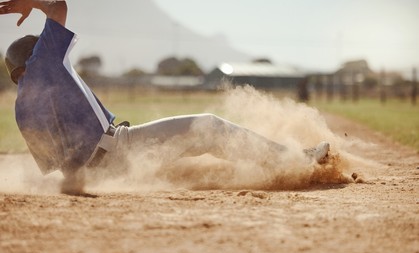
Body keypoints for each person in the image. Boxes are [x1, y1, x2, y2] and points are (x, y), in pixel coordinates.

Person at [0, 0, 330, 195]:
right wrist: (33, 2)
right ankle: (296, 162)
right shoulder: (43, 62)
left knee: (189, 150)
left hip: (98, 173)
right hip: (121, 149)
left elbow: (57, 166)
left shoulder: (21, 110)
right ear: (31, 57)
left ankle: (276, 167)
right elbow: (58, 5)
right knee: (208, 127)